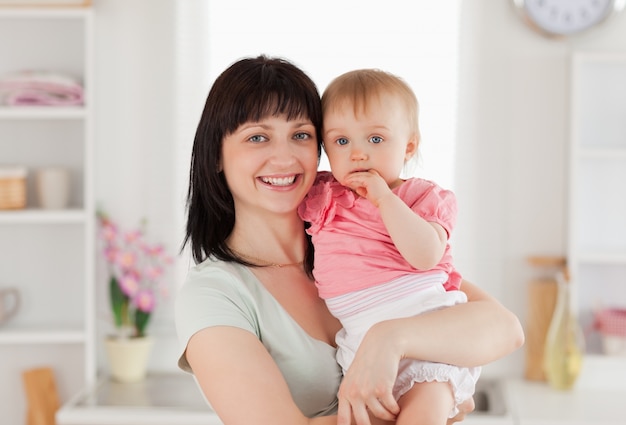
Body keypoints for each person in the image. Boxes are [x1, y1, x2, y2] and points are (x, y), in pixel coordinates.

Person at [175, 55, 524, 425]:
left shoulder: (353, 237)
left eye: (301, 135)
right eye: (257, 137)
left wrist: (392, 339)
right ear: (215, 154)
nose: (284, 156)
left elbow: (504, 328)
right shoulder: (214, 294)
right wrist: (412, 410)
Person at [298, 69, 478, 425]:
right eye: (342, 142)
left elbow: (426, 256)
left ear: (409, 146)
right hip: (362, 344)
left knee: (423, 413)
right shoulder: (323, 196)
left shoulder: (420, 197)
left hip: (427, 330)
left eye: (376, 140)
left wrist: (384, 200)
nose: (358, 154)